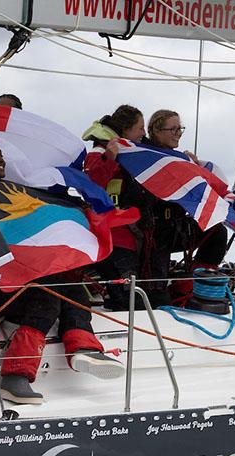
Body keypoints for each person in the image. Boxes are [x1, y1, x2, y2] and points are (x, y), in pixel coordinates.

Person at [0, 140, 124, 404]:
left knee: (68, 286)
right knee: (47, 297)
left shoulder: (13, 188)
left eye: (1, 154)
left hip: (20, 283)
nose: (0, 159)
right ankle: (15, 377)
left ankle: (83, 347)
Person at [144, 109, 229, 306]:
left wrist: (191, 166)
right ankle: (161, 300)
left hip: (176, 228)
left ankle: (192, 283)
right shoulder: (145, 157)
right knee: (157, 286)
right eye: (172, 129)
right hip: (154, 231)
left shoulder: (179, 159)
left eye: (180, 128)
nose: (178, 133)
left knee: (217, 232)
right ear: (156, 131)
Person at [82, 105, 147, 310]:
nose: (143, 133)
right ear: (126, 129)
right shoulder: (100, 152)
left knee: (126, 294)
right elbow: (91, 185)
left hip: (127, 233)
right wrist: (110, 158)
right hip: (113, 235)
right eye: (140, 128)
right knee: (128, 298)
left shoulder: (134, 152)